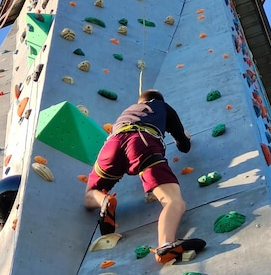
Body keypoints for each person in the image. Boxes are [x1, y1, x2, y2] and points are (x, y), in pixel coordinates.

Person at [84, 90, 205, 263]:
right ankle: (165, 244)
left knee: (90, 192)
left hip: (111, 145)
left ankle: (103, 200)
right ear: (157, 99)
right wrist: (185, 136)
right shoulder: (161, 107)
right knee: (172, 201)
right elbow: (183, 146)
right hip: (142, 143)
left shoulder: (127, 111)